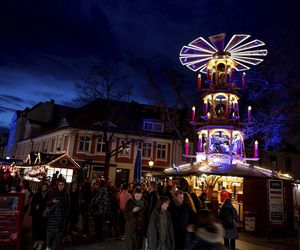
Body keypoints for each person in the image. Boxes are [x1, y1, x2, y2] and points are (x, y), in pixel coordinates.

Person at [46, 179, 70, 250]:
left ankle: (53, 247)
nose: (61, 186)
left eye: (62, 185)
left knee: (57, 236)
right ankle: (48, 246)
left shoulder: (66, 194)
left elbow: (68, 205)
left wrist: (66, 214)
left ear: (64, 185)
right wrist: (52, 201)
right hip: (52, 217)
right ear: (57, 185)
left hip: (61, 218)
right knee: (50, 234)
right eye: (59, 184)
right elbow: (47, 203)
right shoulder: (53, 192)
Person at [124, 186, 147, 250]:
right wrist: (133, 211)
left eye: (140, 196)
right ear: (134, 195)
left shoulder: (144, 202)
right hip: (131, 229)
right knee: (131, 246)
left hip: (140, 228)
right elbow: (125, 215)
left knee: (139, 246)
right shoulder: (129, 202)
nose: (138, 198)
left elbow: (146, 214)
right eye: (136, 196)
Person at [30, 182, 49, 250]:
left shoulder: (48, 195)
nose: (44, 188)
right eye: (43, 187)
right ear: (41, 187)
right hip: (37, 214)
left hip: (44, 215)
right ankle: (36, 241)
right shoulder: (37, 194)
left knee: (42, 229)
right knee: (36, 228)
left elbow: (49, 204)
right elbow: (32, 203)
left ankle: (41, 243)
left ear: (47, 188)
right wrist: (35, 206)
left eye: (45, 187)